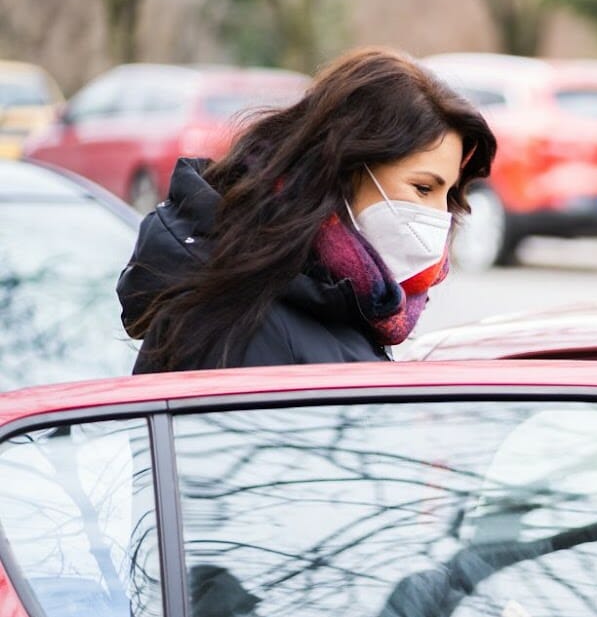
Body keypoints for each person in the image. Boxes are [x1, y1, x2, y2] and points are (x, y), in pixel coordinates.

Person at [117, 47, 496, 373]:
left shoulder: (343, 302)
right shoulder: (243, 319)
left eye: (448, 196)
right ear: (342, 172)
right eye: (423, 188)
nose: (439, 216)